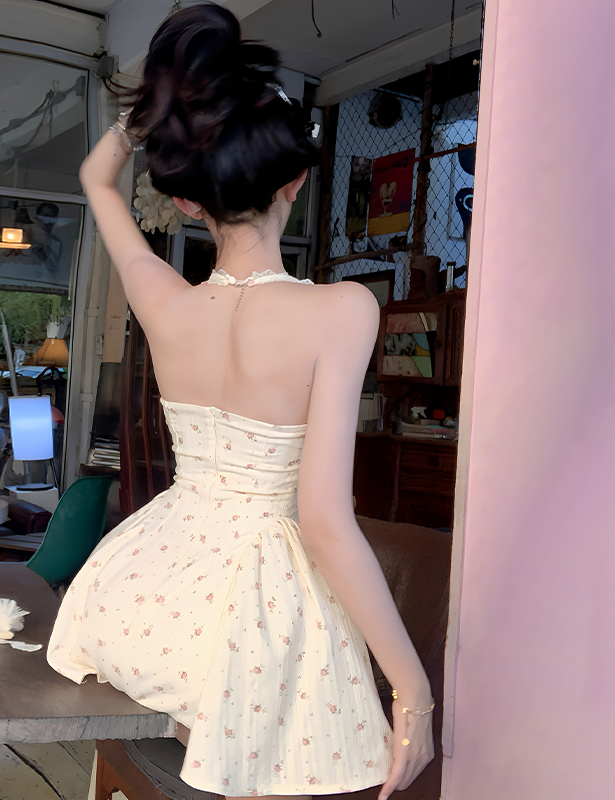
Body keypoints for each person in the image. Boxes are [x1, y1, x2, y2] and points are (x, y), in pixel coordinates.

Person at [48, 6, 433, 799]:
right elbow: (324, 522)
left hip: (144, 597)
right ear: (296, 182)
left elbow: (94, 179)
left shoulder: (166, 303)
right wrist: (413, 692)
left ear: (190, 202)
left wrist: (146, 115)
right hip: (253, 615)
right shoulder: (343, 309)